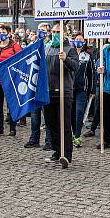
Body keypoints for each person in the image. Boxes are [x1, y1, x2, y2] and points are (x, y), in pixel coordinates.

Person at [42, 22, 78, 167]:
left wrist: (66, 59)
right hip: (49, 91)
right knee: (51, 124)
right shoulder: (47, 47)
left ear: (64, 34)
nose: (55, 34)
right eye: (54, 32)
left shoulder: (70, 48)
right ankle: (57, 151)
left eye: (58, 32)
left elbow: (75, 66)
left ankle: (67, 154)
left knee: (65, 124)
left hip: (64, 91)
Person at [0, 25, 21, 137]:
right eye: (0, 32)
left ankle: (13, 128)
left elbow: (19, 62)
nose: (1, 34)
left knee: (11, 105)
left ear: (8, 33)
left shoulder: (15, 46)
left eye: (3, 32)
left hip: (10, 80)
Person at [70, 32, 95, 148]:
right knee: (71, 112)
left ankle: (77, 135)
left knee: (79, 111)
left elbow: (92, 73)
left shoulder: (88, 55)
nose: (78, 41)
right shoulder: (69, 53)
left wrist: (92, 89)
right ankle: (73, 131)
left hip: (82, 89)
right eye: (77, 39)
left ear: (84, 42)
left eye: (81, 39)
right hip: (70, 87)